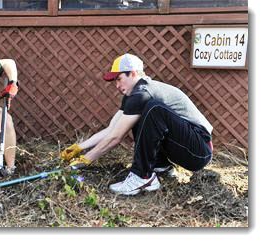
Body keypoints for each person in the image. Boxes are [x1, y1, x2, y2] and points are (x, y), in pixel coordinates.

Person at [60, 53, 213, 195]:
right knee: (140, 115)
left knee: (154, 109)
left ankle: (142, 177)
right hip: (184, 146)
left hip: (198, 151)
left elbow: (115, 138)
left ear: (133, 73)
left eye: (119, 79)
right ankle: (161, 166)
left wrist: (86, 159)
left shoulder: (143, 93)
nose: (117, 85)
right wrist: (80, 147)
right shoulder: (134, 96)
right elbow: (112, 129)